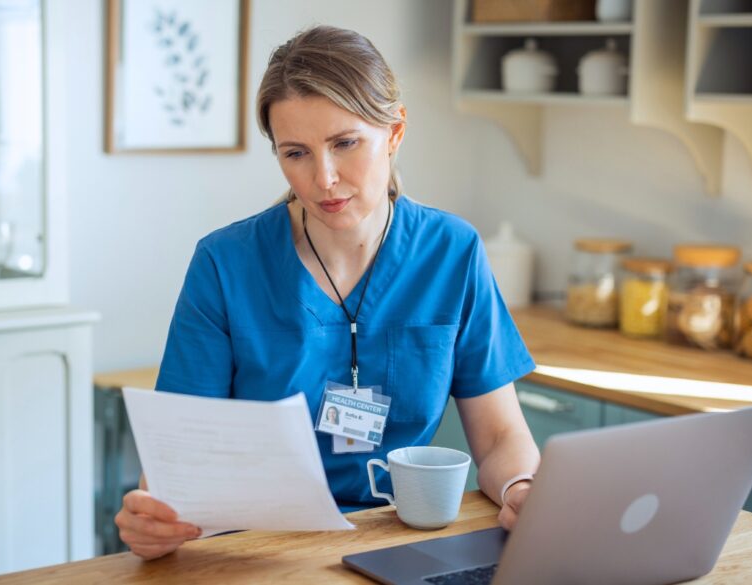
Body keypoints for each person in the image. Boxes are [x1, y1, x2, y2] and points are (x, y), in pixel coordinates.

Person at [115, 25, 540, 561]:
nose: (325, 178)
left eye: (345, 143)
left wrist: (522, 488)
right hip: (255, 552)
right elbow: (177, 469)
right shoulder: (225, 263)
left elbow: (502, 438)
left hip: (398, 542)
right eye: (296, 153)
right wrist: (154, 522)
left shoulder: (452, 252)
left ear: (396, 131)